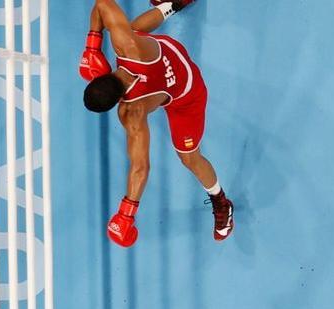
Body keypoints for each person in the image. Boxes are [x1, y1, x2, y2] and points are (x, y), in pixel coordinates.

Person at [80, 0, 235, 247]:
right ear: (103, 71)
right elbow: (102, 4)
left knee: (189, 157)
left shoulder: (132, 111)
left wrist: (126, 215)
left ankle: (221, 201)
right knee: (128, 29)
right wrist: (92, 46)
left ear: (117, 103)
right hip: (170, 51)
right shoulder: (125, 45)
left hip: (188, 94)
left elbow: (140, 167)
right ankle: (173, 4)